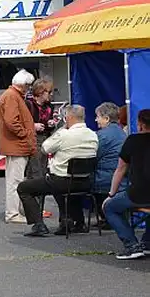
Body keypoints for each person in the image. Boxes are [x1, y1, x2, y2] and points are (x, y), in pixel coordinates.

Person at [17, 105, 98, 237]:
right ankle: (75, 222)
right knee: (63, 185)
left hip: (62, 182)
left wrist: (61, 129)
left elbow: (44, 148)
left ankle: (38, 224)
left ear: (69, 118)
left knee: (24, 188)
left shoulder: (64, 134)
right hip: (85, 182)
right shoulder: (93, 135)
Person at [103, 109, 150, 260]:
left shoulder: (132, 140)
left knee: (110, 208)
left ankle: (131, 245)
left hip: (138, 193)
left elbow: (120, 169)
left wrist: (111, 194)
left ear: (140, 124)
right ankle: (148, 242)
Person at [0, 69, 36, 224]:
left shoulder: (10, 95)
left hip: (15, 144)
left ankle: (14, 212)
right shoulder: (13, 97)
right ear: (24, 85)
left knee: (15, 181)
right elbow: (12, 121)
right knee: (16, 182)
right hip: (16, 145)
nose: (29, 89)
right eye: (29, 86)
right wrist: (25, 133)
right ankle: (13, 213)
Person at [93, 102, 127, 227]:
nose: (96, 119)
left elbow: (94, 157)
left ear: (106, 119)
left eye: (98, 116)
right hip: (123, 180)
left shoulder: (102, 136)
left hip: (105, 181)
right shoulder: (123, 133)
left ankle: (106, 218)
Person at [25, 79, 56, 179]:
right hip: (33, 139)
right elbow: (22, 122)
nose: (51, 95)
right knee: (36, 168)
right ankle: (36, 192)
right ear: (40, 92)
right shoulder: (29, 104)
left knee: (42, 167)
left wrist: (51, 123)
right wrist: (33, 125)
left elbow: (50, 122)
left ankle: (36, 192)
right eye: (49, 92)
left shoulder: (49, 106)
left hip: (46, 139)